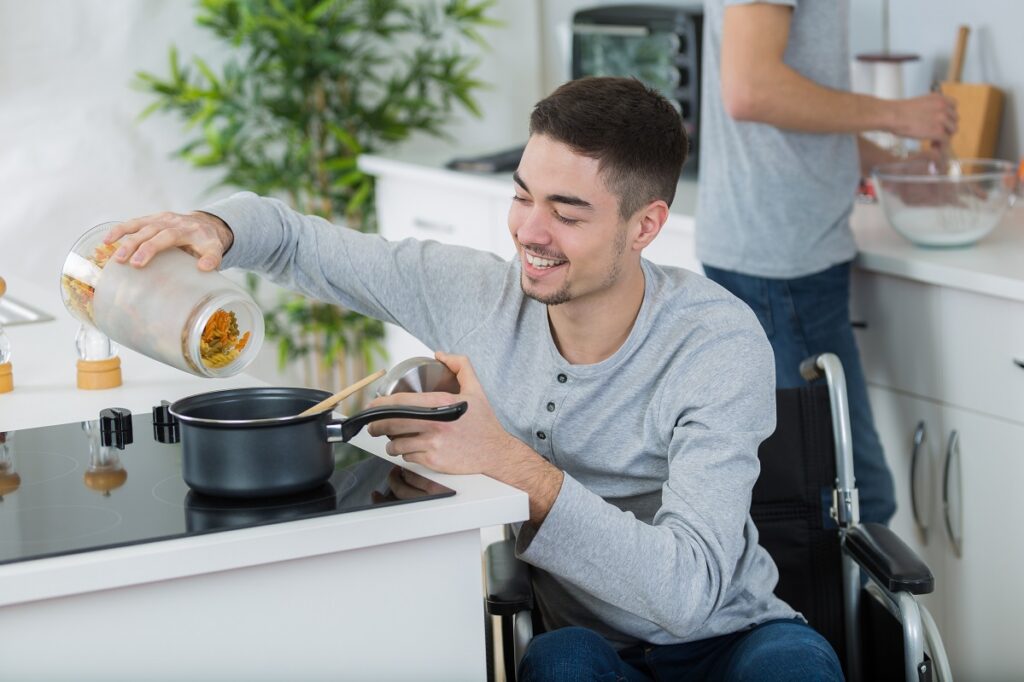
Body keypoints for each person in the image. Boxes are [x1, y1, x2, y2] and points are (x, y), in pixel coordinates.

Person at [106, 77, 842, 680]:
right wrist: (215, 227)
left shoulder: (715, 340)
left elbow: (687, 595)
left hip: (736, 637)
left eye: (567, 212)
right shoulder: (475, 295)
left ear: (645, 226)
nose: (529, 231)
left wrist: (506, 462)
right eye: (523, 195)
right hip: (586, 646)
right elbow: (297, 238)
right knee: (560, 667)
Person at [697, 0, 958, 526]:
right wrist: (896, 113)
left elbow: (791, 112)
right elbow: (752, 91)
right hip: (782, 264)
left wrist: (896, 167)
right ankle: (812, 615)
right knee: (847, 504)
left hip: (780, 256)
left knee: (822, 498)